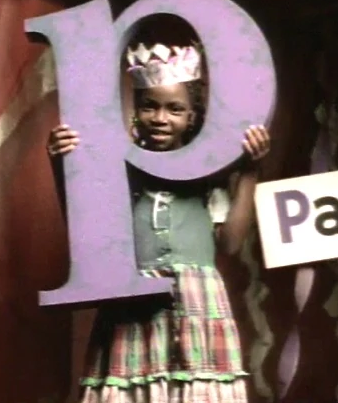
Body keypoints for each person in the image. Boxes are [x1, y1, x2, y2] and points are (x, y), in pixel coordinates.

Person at [47, 42, 270, 402]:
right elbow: (86, 231)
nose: (160, 118)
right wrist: (63, 164)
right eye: (149, 106)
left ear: (192, 117)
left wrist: (249, 172)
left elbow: (229, 244)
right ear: (135, 111)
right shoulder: (118, 172)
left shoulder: (208, 175)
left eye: (175, 109)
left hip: (196, 300)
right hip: (133, 300)